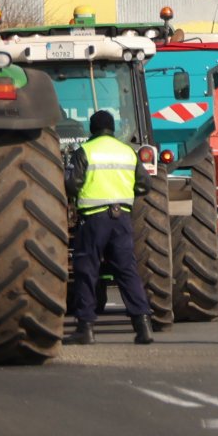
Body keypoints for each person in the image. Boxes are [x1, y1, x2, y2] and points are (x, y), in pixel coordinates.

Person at [64, 109, 156, 346]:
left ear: (92, 129)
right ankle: (143, 326)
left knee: (87, 270)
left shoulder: (85, 151)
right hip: (121, 218)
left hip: (94, 220)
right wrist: (124, 193)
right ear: (112, 128)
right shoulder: (128, 152)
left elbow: (73, 185)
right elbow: (145, 185)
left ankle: (85, 329)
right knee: (127, 270)